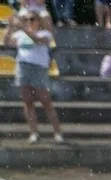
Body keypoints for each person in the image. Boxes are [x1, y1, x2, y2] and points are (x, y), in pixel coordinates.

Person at [3, 10, 64, 144]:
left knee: (46, 102)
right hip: (23, 68)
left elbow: (37, 40)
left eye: (32, 19)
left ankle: (57, 132)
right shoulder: (19, 34)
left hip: (39, 69)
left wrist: (22, 28)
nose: (29, 22)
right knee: (27, 102)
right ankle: (34, 133)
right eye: (26, 19)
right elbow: (6, 43)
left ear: (38, 21)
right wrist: (10, 26)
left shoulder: (45, 34)